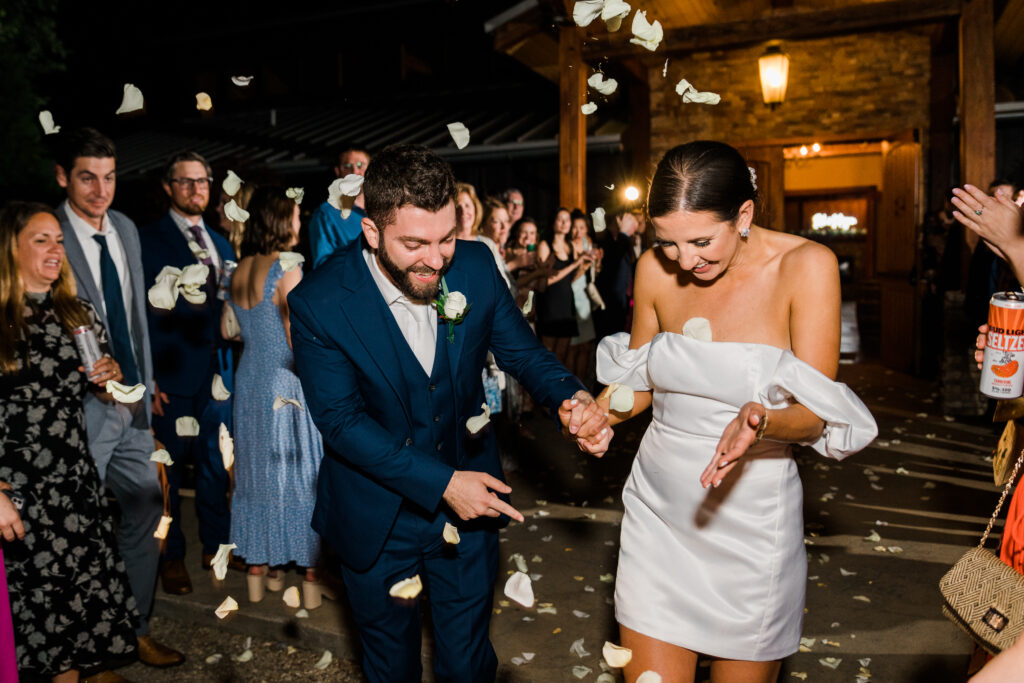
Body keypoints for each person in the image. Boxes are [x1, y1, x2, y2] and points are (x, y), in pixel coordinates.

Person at [287, 143, 612, 682]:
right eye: (415, 244)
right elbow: (341, 423)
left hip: (474, 507)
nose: (437, 260)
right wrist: (442, 484)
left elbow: (522, 353)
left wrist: (570, 400)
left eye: (446, 239)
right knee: (391, 668)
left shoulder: (478, 264)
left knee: (467, 664)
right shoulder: (320, 301)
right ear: (372, 232)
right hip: (376, 517)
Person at [594, 141, 877, 683]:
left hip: (750, 521)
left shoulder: (806, 267)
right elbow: (643, 382)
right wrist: (598, 414)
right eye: (668, 242)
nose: (684, 261)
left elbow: (817, 416)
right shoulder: (655, 268)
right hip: (659, 512)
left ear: (743, 214)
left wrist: (762, 420)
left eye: (701, 240)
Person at [54, 128, 183, 667]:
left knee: (149, 508)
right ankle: (86, 651)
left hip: (131, 403)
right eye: (87, 177)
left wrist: (147, 386)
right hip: (77, 411)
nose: (99, 189)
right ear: (63, 177)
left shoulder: (126, 229)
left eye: (108, 177)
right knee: (75, 530)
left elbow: (135, 320)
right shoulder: (48, 235)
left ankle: (135, 628)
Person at [0, 201, 140, 681]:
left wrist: (111, 377)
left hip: (73, 480)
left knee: (73, 607)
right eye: (42, 240)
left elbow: (102, 386)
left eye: (59, 240)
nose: (57, 249)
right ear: (9, 250)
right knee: (31, 612)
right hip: (16, 488)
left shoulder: (74, 312)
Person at [139, 151, 239, 596]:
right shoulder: (148, 239)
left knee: (217, 466)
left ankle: (216, 546)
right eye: (186, 182)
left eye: (202, 181)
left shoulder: (222, 242)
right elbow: (140, 315)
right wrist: (149, 379)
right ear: (168, 187)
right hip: (171, 375)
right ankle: (172, 556)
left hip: (216, 374)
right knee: (171, 472)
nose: (196, 189)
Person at [225, 187, 327, 609]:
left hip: (248, 380)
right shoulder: (288, 265)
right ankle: (309, 580)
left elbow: (227, 330)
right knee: (302, 475)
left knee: (255, 477)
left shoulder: (239, 268)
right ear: (282, 222)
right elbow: (297, 335)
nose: (300, 225)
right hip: (286, 380)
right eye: (297, 217)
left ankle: (259, 574)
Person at [535, 208, 591, 367]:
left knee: (562, 355)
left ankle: (559, 390)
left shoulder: (570, 246)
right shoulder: (545, 245)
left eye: (567, 219)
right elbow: (544, 282)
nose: (565, 223)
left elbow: (569, 279)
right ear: (553, 223)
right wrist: (575, 264)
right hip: (550, 304)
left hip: (567, 304)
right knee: (548, 353)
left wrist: (584, 266)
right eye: (560, 219)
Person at [308, 143, 371, 267]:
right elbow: (322, 265)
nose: (355, 172)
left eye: (360, 165)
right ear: (338, 171)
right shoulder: (325, 214)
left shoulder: (385, 207)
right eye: (347, 166)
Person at [568, 209, 599, 381]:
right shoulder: (568, 245)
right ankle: (571, 385)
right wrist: (582, 266)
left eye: (581, 227)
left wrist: (598, 262)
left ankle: (581, 383)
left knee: (586, 346)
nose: (578, 231)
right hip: (571, 295)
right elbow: (569, 279)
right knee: (573, 346)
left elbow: (594, 273)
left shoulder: (588, 242)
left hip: (585, 297)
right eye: (574, 227)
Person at [476, 198, 514, 290]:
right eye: (496, 221)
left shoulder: (501, 251)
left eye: (506, 221)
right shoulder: (483, 248)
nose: (504, 227)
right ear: (482, 223)